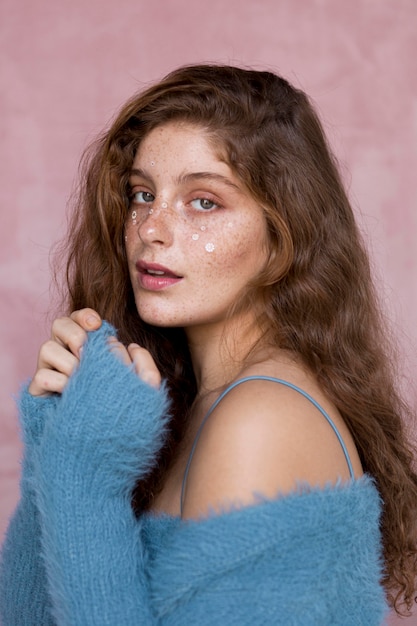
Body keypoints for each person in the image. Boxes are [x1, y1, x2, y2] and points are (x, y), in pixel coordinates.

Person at [0, 64, 416, 625]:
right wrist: (55, 440)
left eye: (204, 202)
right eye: (142, 194)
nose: (151, 227)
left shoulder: (262, 419)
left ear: (283, 238)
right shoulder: (202, 402)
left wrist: (86, 479)